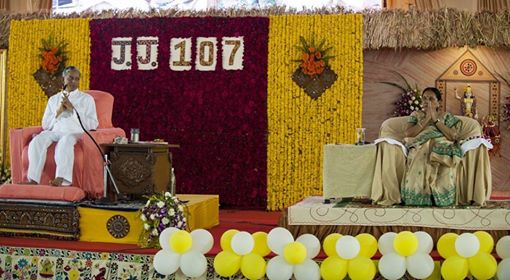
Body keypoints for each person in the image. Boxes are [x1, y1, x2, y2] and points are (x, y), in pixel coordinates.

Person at [26, 66, 98, 186]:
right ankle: (33, 180)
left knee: (65, 141)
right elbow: (45, 125)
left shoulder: (87, 99)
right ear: (63, 78)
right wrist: (58, 112)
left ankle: (61, 178)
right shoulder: (53, 99)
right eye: (70, 78)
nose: (74, 82)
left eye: (76, 79)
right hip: (56, 131)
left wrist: (73, 110)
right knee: (37, 141)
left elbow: (93, 124)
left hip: (75, 132)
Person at [401, 87, 463, 206]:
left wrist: (435, 120)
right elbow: (408, 133)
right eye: (424, 98)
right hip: (420, 145)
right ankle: (419, 198)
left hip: (441, 145)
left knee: (441, 159)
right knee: (422, 154)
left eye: (431, 99)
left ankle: (440, 198)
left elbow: (453, 135)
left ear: (439, 102)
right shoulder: (416, 114)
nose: (426, 102)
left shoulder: (446, 116)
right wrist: (426, 119)